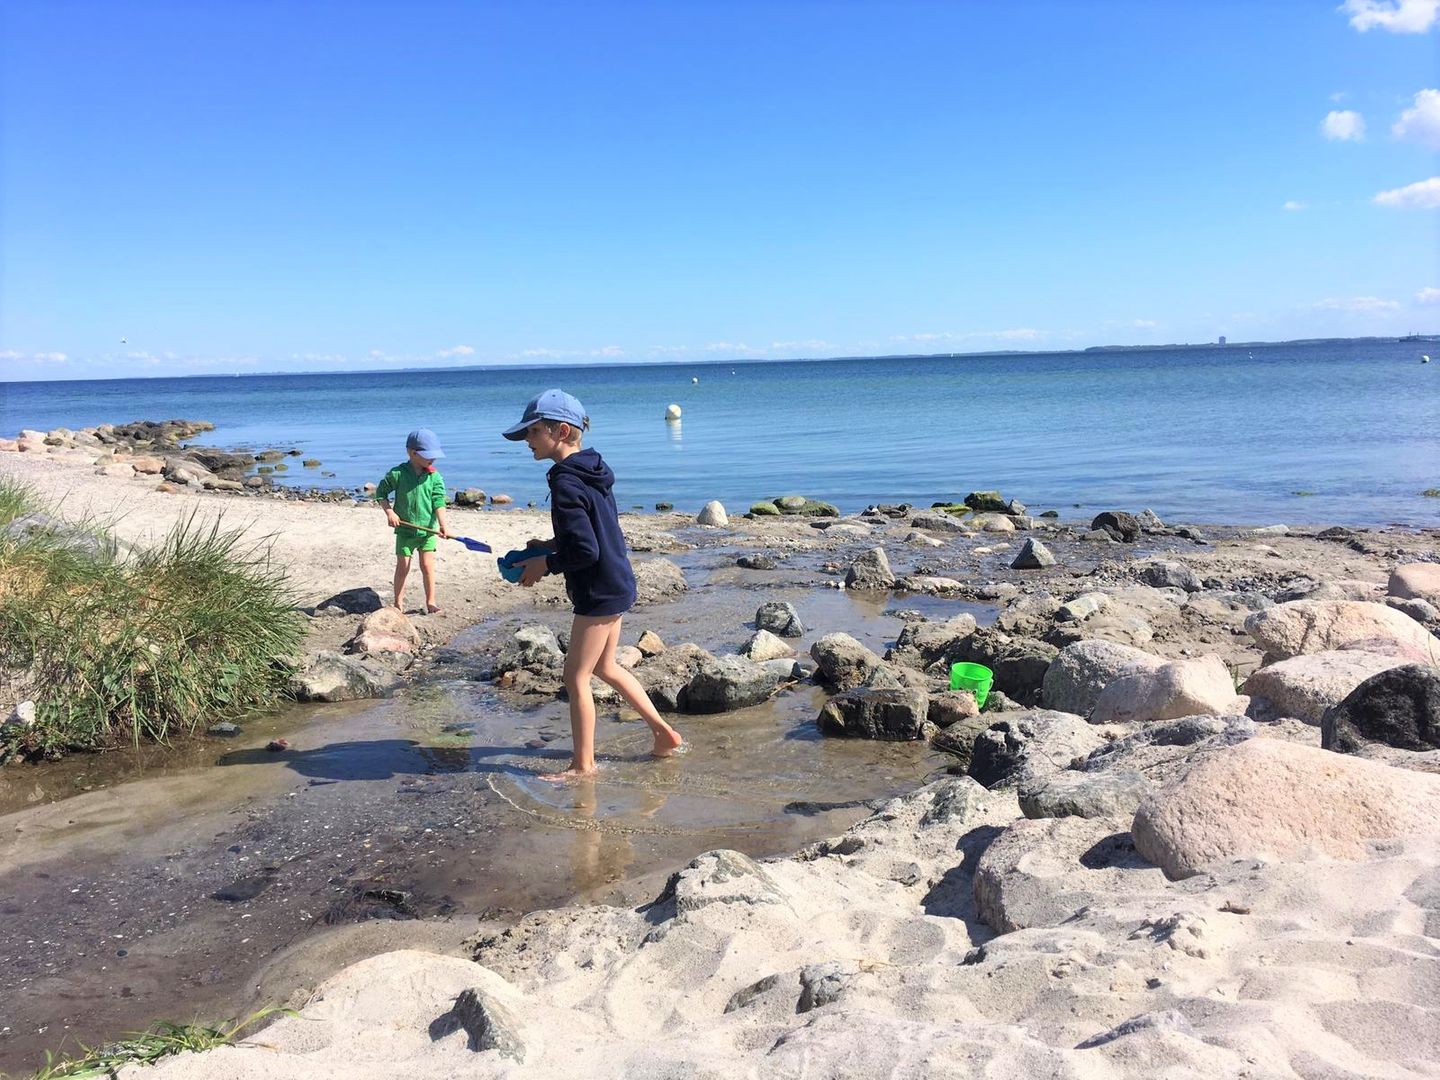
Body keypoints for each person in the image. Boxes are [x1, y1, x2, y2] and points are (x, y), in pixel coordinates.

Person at [502, 389, 683, 780]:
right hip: (616, 580)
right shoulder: (591, 470)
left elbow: (585, 550)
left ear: (561, 431)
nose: (527, 441)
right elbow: (596, 533)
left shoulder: (567, 482)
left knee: (575, 677)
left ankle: (583, 766)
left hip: (598, 589)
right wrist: (550, 546)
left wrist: (545, 564)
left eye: (532, 432)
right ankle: (664, 733)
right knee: (605, 667)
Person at [375, 428, 450, 613]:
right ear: (413, 453)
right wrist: (390, 513)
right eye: (428, 455)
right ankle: (398, 602)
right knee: (403, 567)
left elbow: (438, 501)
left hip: (428, 530)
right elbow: (381, 493)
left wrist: (442, 524)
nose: (432, 459)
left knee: (427, 566)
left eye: (434, 455)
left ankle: (431, 602)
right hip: (405, 531)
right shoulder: (398, 474)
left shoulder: (434, 476)